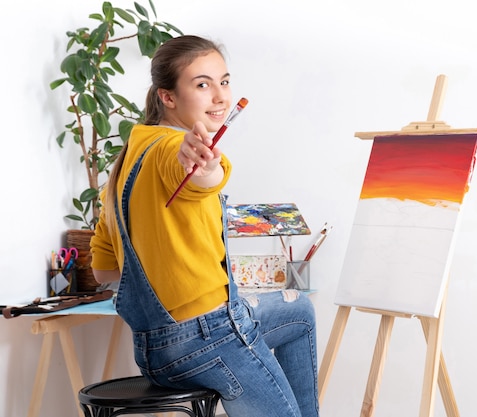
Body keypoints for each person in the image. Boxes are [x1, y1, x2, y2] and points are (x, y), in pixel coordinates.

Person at [90, 34, 319, 417]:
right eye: (202, 84)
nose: (220, 97)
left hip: (156, 352)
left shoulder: (122, 167)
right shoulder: (170, 147)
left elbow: (103, 269)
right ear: (168, 97)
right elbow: (199, 175)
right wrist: (207, 167)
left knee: (299, 312)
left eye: (224, 82)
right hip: (210, 337)